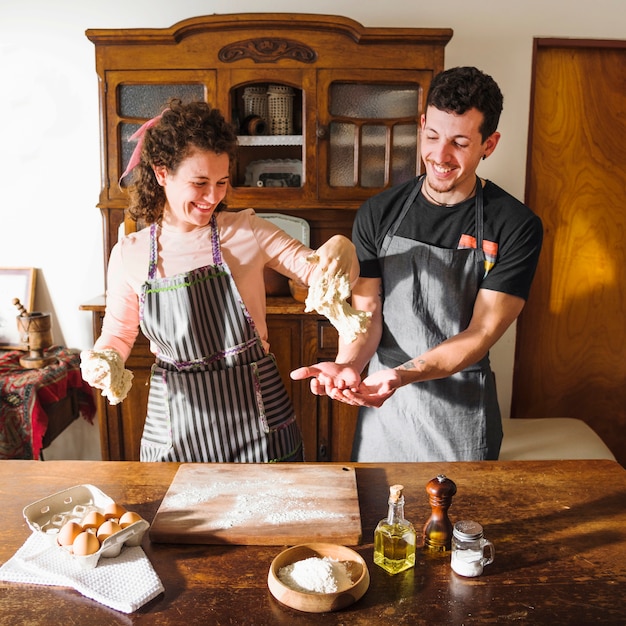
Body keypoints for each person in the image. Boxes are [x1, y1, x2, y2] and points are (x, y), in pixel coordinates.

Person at [81, 99, 358, 463]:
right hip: (176, 429)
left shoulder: (247, 231)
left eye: (222, 182)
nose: (213, 197)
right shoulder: (129, 254)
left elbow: (321, 272)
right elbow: (118, 334)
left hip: (259, 423)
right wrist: (104, 360)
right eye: (199, 183)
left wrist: (343, 247)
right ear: (162, 173)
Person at [291, 66, 543, 462]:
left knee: (457, 522)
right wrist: (348, 365)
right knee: (380, 516)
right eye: (432, 136)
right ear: (422, 124)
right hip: (385, 411)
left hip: (460, 415)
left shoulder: (514, 225)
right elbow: (367, 316)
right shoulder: (379, 213)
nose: (440, 156)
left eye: (460, 142)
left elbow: (481, 332)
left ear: (488, 144)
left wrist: (404, 374)